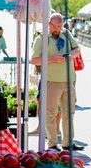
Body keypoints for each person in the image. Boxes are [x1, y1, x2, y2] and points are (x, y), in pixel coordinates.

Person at [31, 12, 83, 151]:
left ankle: (67, 143)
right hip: (51, 81)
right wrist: (51, 59)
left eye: (59, 26)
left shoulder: (66, 34)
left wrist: (71, 55)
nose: (56, 29)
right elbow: (34, 59)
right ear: (49, 24)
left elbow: (77, 49)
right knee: (50, 114)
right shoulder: (41, 38)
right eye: (54, 26)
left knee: (69, 113)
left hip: (69, 80)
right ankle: (52, 144)